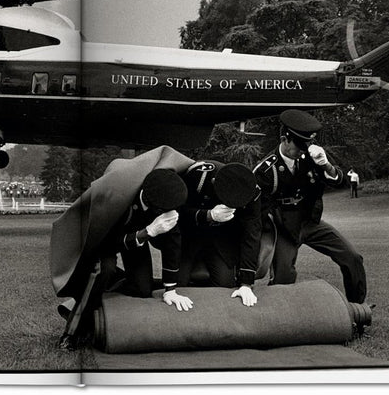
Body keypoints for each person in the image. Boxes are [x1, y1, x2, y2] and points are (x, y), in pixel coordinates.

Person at [50, 146, 194, 350]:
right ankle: (72, 332)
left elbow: (173, 246)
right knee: (102, 271)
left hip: (138, 236)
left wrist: (171, 290)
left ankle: (109, 286)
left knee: (142, 289)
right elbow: (106, 242)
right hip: (105, 237)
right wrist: (148, 232)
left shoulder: (166, 200)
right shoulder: (119, 199)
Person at [253, 109, 367, 305]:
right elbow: (257, 210)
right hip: (283, 227)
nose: (302, 151)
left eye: (306, 146)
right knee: (283, 277)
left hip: (310, 221)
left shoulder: (311, 158)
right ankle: (280, 317)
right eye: (298, 146)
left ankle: (357, 309)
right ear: (284, 139)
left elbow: (339, 181)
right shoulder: (266, 170)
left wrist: (326, 165)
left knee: (352, 258)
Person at [177, 161, 263, 307]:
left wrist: (246, 284)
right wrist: (207, 215)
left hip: (223, 239)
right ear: (214, 182)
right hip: (190, 236)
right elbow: (178, 213)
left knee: (225, 287)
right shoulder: (198, 176)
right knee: (178, 286)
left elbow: (252, 235)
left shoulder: (252, 192)